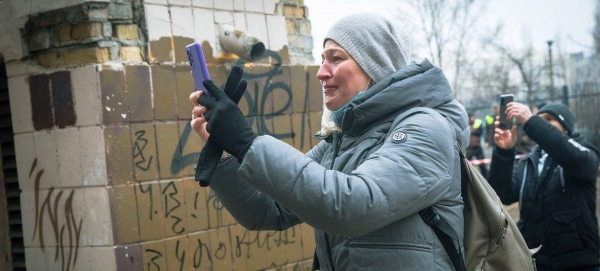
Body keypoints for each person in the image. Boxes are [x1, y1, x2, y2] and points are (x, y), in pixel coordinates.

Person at [190, 13, 469, 270]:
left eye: (336, 59)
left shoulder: (425, 127)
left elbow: (354, 206)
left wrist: (246, 142)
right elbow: (266, 210)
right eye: (323, 59)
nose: (322, 72)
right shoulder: (340, 140)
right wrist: (224, 146)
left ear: (376, 66)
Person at [488, 102, 600, 271]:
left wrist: (532, 121)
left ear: (565, 127)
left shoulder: (581, 150)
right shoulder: (528, 161)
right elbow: (502, 194)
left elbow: (582, 163)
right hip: (536, 263)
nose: (542, 123)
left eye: (549, 119)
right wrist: (504, 152)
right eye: (540, 120)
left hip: (579, 262)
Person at [467, 112, 488, 178]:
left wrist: (472, 131)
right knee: (467, 165)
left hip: (477, 146)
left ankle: (486, 177)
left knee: (482, 165)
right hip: (469, 148)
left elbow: (480, 132)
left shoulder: (478, 123)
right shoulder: (466, 125)